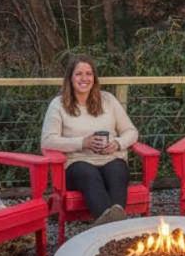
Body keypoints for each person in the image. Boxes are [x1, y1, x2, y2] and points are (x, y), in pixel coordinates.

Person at [40, 55, 139, 225]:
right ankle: (117, 227)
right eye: (79, 74)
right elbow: (48, 141)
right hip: (77, 164)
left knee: (117, 168)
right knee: (87, 172)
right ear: (70, 78)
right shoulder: (58, 105)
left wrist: (117, 143)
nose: (84, 78)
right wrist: (82, 143)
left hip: (110, 158)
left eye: (89, 73)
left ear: (94, 78)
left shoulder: (108, 100)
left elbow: (131, 132)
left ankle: (109, 225)